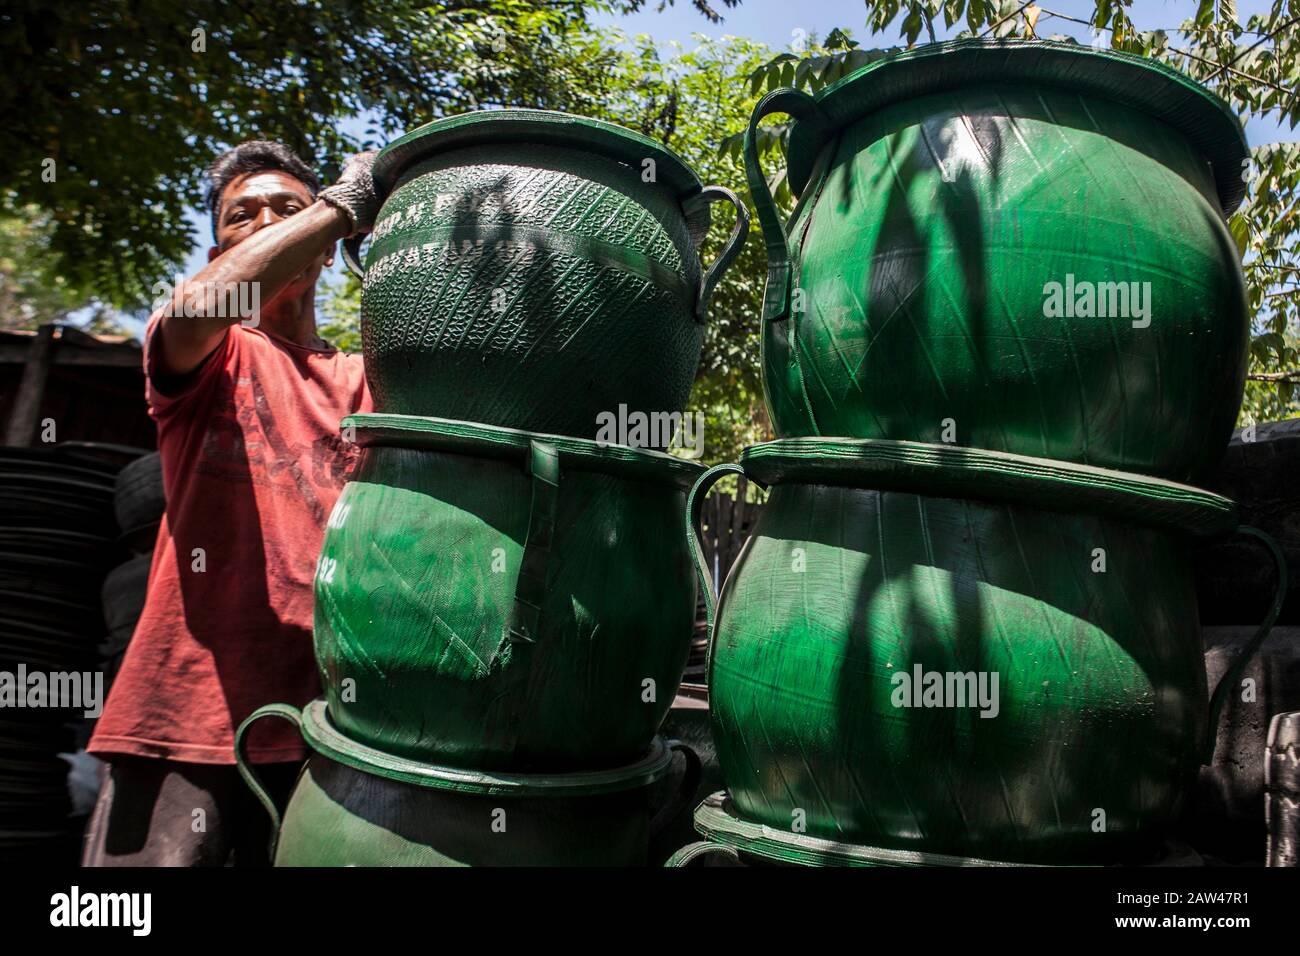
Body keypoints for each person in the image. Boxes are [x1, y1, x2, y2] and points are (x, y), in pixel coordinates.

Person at [82, 141, 381, 866]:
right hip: (187, 720)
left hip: (333, 734)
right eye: (242, 215)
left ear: (328, 249)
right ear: (221, 248)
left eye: (288, 208)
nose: (266, 221)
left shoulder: (364, 379)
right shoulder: (204, 349)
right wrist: (341, 206)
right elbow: (204, 305)